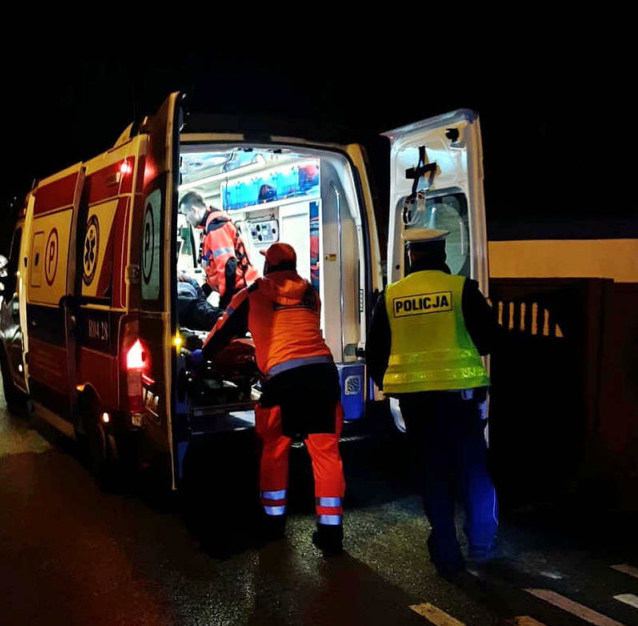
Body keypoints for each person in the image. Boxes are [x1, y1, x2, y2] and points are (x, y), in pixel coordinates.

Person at [365, 228, 501, 577]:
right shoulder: (461, 289)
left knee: (433, 476)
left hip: (417, 405)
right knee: (474, 472)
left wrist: (393, 386)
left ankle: (446, 553)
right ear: (443, 253)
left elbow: (376, 354)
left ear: (411, 256)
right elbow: (488, 340)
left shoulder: (392, 296)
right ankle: (482, 545)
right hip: (461, 399)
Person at [201, 242, 346, 553]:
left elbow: (222, 330)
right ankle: (331, 533)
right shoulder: (310, 294)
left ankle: (273, 524)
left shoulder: (253, 293)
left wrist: (202, 355)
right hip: (322, 374)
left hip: (282, 380)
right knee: (326, 454)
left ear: (268, 266)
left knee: (274, 449)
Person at [178, 191, 259, 309]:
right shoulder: (209, 231)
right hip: (239, 290)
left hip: (242, 291)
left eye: (186, 215)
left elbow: (228, 266)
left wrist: (224, 305)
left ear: (194, 210)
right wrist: (204, 291)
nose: (187, 220)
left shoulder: (216, 228)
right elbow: (214, 269)